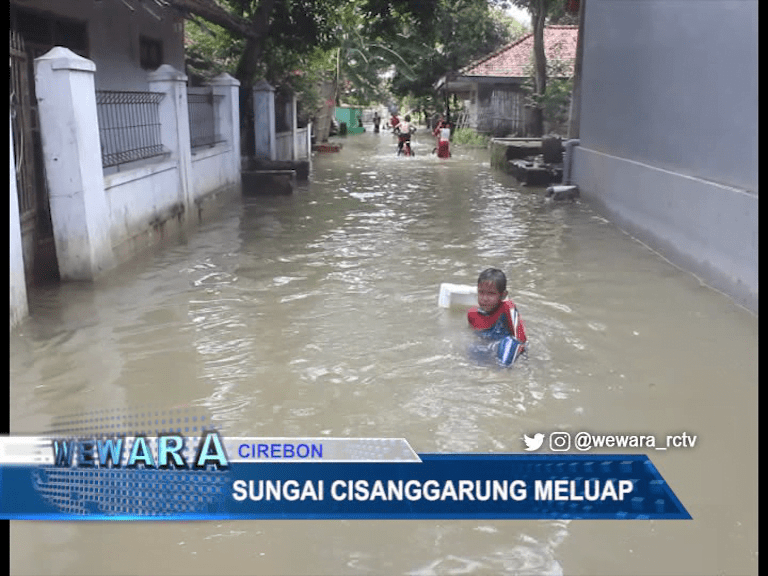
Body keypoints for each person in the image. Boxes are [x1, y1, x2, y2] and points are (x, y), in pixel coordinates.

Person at [467, 268, 527, 366]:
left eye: (491, 294)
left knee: (510, 342)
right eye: (481, 292)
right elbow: (474, 336)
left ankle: (503, 374)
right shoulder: (472, 314)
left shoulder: (507, 308)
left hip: (507, 350)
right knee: (473, 347)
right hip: (488, 348)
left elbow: (521, 339)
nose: (485, 298)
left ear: (503, 295)